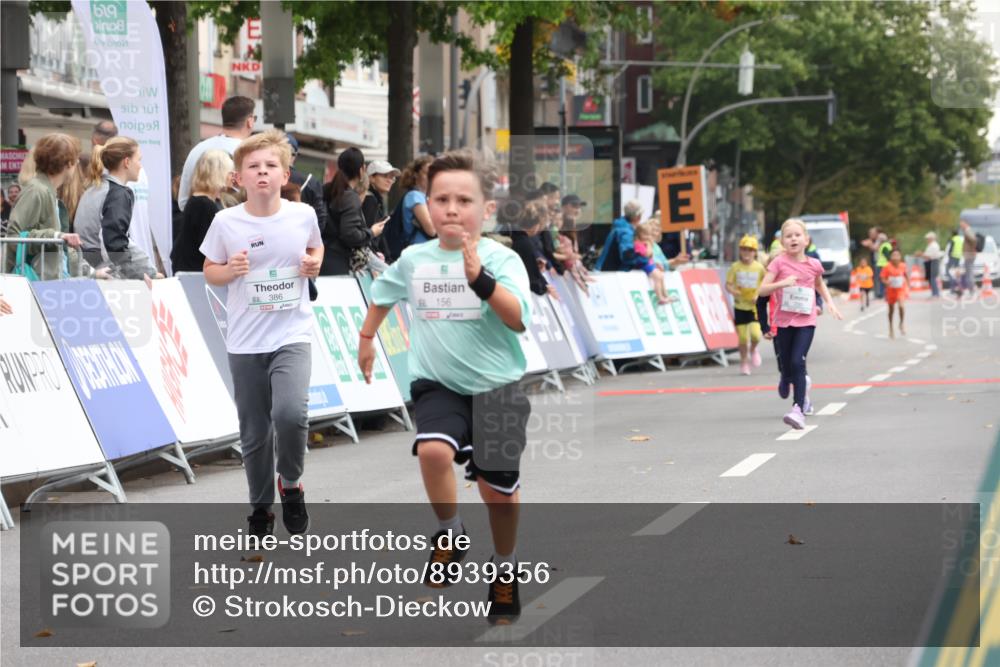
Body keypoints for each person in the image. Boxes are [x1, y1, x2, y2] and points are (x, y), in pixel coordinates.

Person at [357, 150, 532, 625]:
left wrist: (482, 281)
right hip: (437, 384)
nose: (451, 209)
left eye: (463, 200)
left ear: (487, 209)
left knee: (499, 495)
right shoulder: (415, 259)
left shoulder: (503, 258)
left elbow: (518, 319)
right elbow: (383, 293)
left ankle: (504, 569)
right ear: (426, 204)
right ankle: (449, 536)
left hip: (498, 387)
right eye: (441, 199)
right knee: (432, 451)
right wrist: (367, 337)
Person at [200, 129, 322, 538]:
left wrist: (312, 264)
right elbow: (209, 271)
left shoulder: (302, 215)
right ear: (239, 178)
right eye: (254, 167)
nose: (263, 173)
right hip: (245, 340)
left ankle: (291, 483)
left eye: (271, 166)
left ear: (286, 174)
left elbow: (315, 250)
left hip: (292, 333)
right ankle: (260, 508)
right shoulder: (225, 222)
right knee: (254, 431)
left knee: (290, 414)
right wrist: (228, 270)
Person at [758, 218, 843, 430]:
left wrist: (830, 303)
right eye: (788, 236)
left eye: (797, 235)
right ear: (782, 241)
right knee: (787, 366)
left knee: (798, 361)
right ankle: (796, 386)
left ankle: (797, 409)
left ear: (806, 240)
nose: (793, 239)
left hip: (806, 321)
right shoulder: (778, 263)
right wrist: (782, 283)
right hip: (783, 322)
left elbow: (819, 285)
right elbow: (762, 290)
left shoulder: (813, 264)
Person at [74, 137, 157, 279]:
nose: (140, 166)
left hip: (87, 267)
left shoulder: (94, 189)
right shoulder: (119, 194)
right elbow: (115, 242)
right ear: (126, 162)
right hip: (105, 272)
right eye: (139, 160)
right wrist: (141, 273)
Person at [4, 134, 84, 280]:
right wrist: (54, 236)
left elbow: (61, 251)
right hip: (35, 285)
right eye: (76, 159)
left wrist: (90, 272)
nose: (78, 162)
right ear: (68, 163)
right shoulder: (37, 191)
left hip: (46, 283)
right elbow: (14, 238)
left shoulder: (46, 191)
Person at [178, 96, 255, 211]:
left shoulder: (198, 149)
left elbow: (183, 202)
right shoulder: (250, 153)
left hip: (199, 225)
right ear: (250, 121)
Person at [320, 147, 385, 275]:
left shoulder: (325, 189)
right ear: (362, 170)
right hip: (338, 263)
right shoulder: (350, 197)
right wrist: (371, 232)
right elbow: (350, 234)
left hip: (319, 257)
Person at [170, 149, 232, 272]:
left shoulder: (198, 201)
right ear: (220, 173)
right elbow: (212, 248)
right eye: (230, 172)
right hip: (196, 275)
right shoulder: (204, 205)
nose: (232, 176)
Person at [502, 195, 558, 298]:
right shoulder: (524, 242)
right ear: (536, 224)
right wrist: (544, 287)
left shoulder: (512, 235)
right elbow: (532, 280)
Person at [726, 235, 766, 376]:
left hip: (754, 307)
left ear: (755, 252)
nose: (747, 253)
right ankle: (744, 362)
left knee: (756, 335)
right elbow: (728, 285)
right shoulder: (735, 267)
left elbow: (765, 284)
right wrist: (734, 291)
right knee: (743, 338)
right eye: (744, 249)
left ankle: (753, 349)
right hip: (740, 306)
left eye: (750, 250)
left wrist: (758, 295)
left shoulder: (759, 268)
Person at [285, 133, 328, 235]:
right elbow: (320, 221)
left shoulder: (262, 178)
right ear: (294, 155)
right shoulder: (310, 182)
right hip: (301, 241)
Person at [362, 160, 399, 260]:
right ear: (371, 178)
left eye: (392, 177)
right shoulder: (370, 200)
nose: (389, 180)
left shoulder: (375, 199)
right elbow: (369, 234)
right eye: (385, 176)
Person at [595, 200, 647, 271]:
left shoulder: (621, 226)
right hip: (611, 275)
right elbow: (627, 256)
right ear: (637, 217)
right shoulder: (625, 231)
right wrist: (646, 261)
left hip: (605, 271)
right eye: (640, 215)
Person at [634, 221, 671, 304]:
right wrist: (649, 245)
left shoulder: (646, 243)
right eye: (646, 234)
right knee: (657, 277)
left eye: (649, 235)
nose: (648, 237)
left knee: (661, 275)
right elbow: (648, 254)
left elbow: (651, 257)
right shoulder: (638, 244)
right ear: (639, 234)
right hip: (644, 265)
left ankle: (665, 295)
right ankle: (660, 298)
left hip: (650, 264)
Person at [880, 248, 909, 339]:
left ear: (900, 257)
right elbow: (882, 278)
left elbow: (905, 275)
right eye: (894, 255)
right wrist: (886, 282)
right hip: (891, 291)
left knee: (901, 306)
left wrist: (908, 285)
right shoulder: (887, 267)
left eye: (897, 255)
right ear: (891, 257)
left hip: (900, 290)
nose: (896, 257)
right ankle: (891, 328)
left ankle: (901, 323)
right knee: (891, 310)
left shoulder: (903, 266)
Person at [916, 231, 944, 298]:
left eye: (928, 238)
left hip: (933, 262)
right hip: (930, 262)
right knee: (931, 278)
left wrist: (921, 254)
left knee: (932, 278)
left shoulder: (934, 245)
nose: (927, 240)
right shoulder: (931, 245)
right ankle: (934, 292)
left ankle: (935, 293)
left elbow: (930, 255)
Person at [960, 219, 979, 297]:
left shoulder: (968, 231)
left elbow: (974, 240)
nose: (961, 226)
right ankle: (972, 289)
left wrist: (973, 249)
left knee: (969, 273)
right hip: (969, 254)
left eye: (962, 224)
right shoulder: (968, 231)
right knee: (969, 272)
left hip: (969, 255)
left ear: (966, 224)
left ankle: (972, 290)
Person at [945, 227, 964, 295]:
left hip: (952, 257)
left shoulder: (952, 239)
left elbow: (949, 249)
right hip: (958, 258)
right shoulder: (960, 239)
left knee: (950, 273)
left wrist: (947, 257)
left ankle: (952, 289)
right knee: (957, 274)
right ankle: (959, 288)